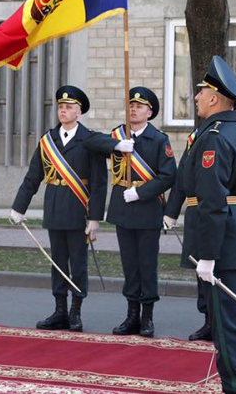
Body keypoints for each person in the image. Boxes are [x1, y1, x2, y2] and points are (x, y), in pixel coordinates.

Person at [182, 56, 236, 394]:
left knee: (226, 323)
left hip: (220, 243)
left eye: (201, 92)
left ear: (215, 98)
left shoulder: (213, 137)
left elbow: (213, 202)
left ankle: (235, 387)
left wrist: (209, 255)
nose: (197, 97)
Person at [10, 85, 107, 333]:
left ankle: (76, 311)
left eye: (69, 107)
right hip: (54, 209)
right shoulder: (48, 141)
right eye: (61, 107)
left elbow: (98, 184)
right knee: (58, 263)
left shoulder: (90, 140)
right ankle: (60, 310)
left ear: (79, 112)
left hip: (78, 211)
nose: (63, 111)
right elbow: (33, 177)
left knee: (78, 263)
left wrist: (95, 218)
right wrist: (19, 207)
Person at [84, 87, 176, 338]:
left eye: (139, 106)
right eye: (130, 105)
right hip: (123, 209)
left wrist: (141, 192)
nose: (133, 109)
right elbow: (89, 141)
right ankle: (131, 315)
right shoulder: (117, 134)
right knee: (129, 265)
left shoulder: (158, 139)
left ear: (149, 112)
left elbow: (169, 175)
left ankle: (147, 317)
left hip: (146, 209)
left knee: (147, 265)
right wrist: (116, 144)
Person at [163, 129, 213, 342]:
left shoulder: (224, 134)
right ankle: (208, 320)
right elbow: (182, 175)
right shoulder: (195, 136)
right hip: (194, 213)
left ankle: (221, 320)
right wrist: (171, 212)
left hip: (217, 211)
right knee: (200, 270)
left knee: (216, 270)